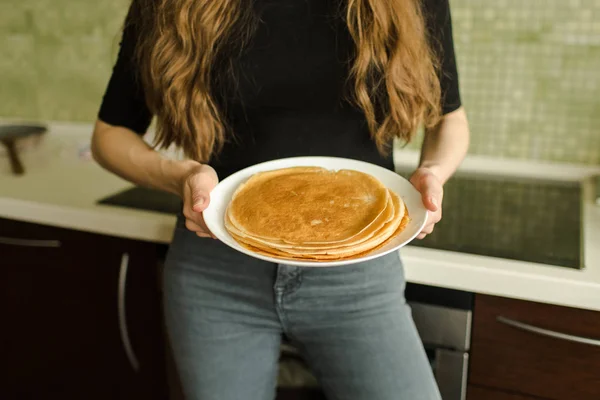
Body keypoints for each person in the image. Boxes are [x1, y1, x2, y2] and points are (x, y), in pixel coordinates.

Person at [92, 0, 470, 398]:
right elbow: (109, 135)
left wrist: (433, 172)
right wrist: (179, 177)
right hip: (216, 274)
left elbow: (450, 118)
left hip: (358, 272)